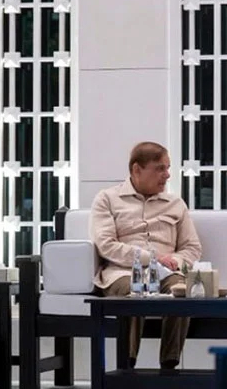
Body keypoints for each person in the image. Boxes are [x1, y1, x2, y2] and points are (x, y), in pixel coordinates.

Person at [90, 141, 202, 369]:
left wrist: (174, 261)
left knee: (181, 291)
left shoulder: (175, 203)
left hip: (166, 272)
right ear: (136, 169)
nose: (167, 175)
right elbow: (106, 245)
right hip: (122, 272)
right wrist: (150, 258)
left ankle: (170, 367)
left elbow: (192, 247)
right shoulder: (107, 199)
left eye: (168, 168)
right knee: (135, 288)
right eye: (160, 168)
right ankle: (127, 367)